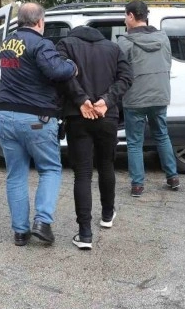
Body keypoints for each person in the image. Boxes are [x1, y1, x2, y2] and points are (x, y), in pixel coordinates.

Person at [0, 3, 78, 246]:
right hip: (35, 119)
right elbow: (56, 70)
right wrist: (72, 66)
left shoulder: (7, 43)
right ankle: (42, 221)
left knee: (16, 174)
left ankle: (20, 232)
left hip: (4, 117)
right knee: (50, 169)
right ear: (40, 22)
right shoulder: (41, 44)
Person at [56, 26, 133, 250]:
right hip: (106, 116)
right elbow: (127, 77)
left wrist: (81, 100)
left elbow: (62, 75)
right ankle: (107, 215)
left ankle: (85, 234)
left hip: (77, 116)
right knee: (106, 165)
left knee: (82, 173)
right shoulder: (113, 48)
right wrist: (107, 100)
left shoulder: (66, 45)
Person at [117, 0, 179, 197]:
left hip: (135, 98)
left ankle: (137, 185)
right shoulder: (163, 38)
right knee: (162, 135)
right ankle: (173, 177)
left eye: (125, 16)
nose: (125, 20)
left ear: (131, 16)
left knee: (135, 142)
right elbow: (168, 63)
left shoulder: (124, 42)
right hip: (160, 96)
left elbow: (119, 71)